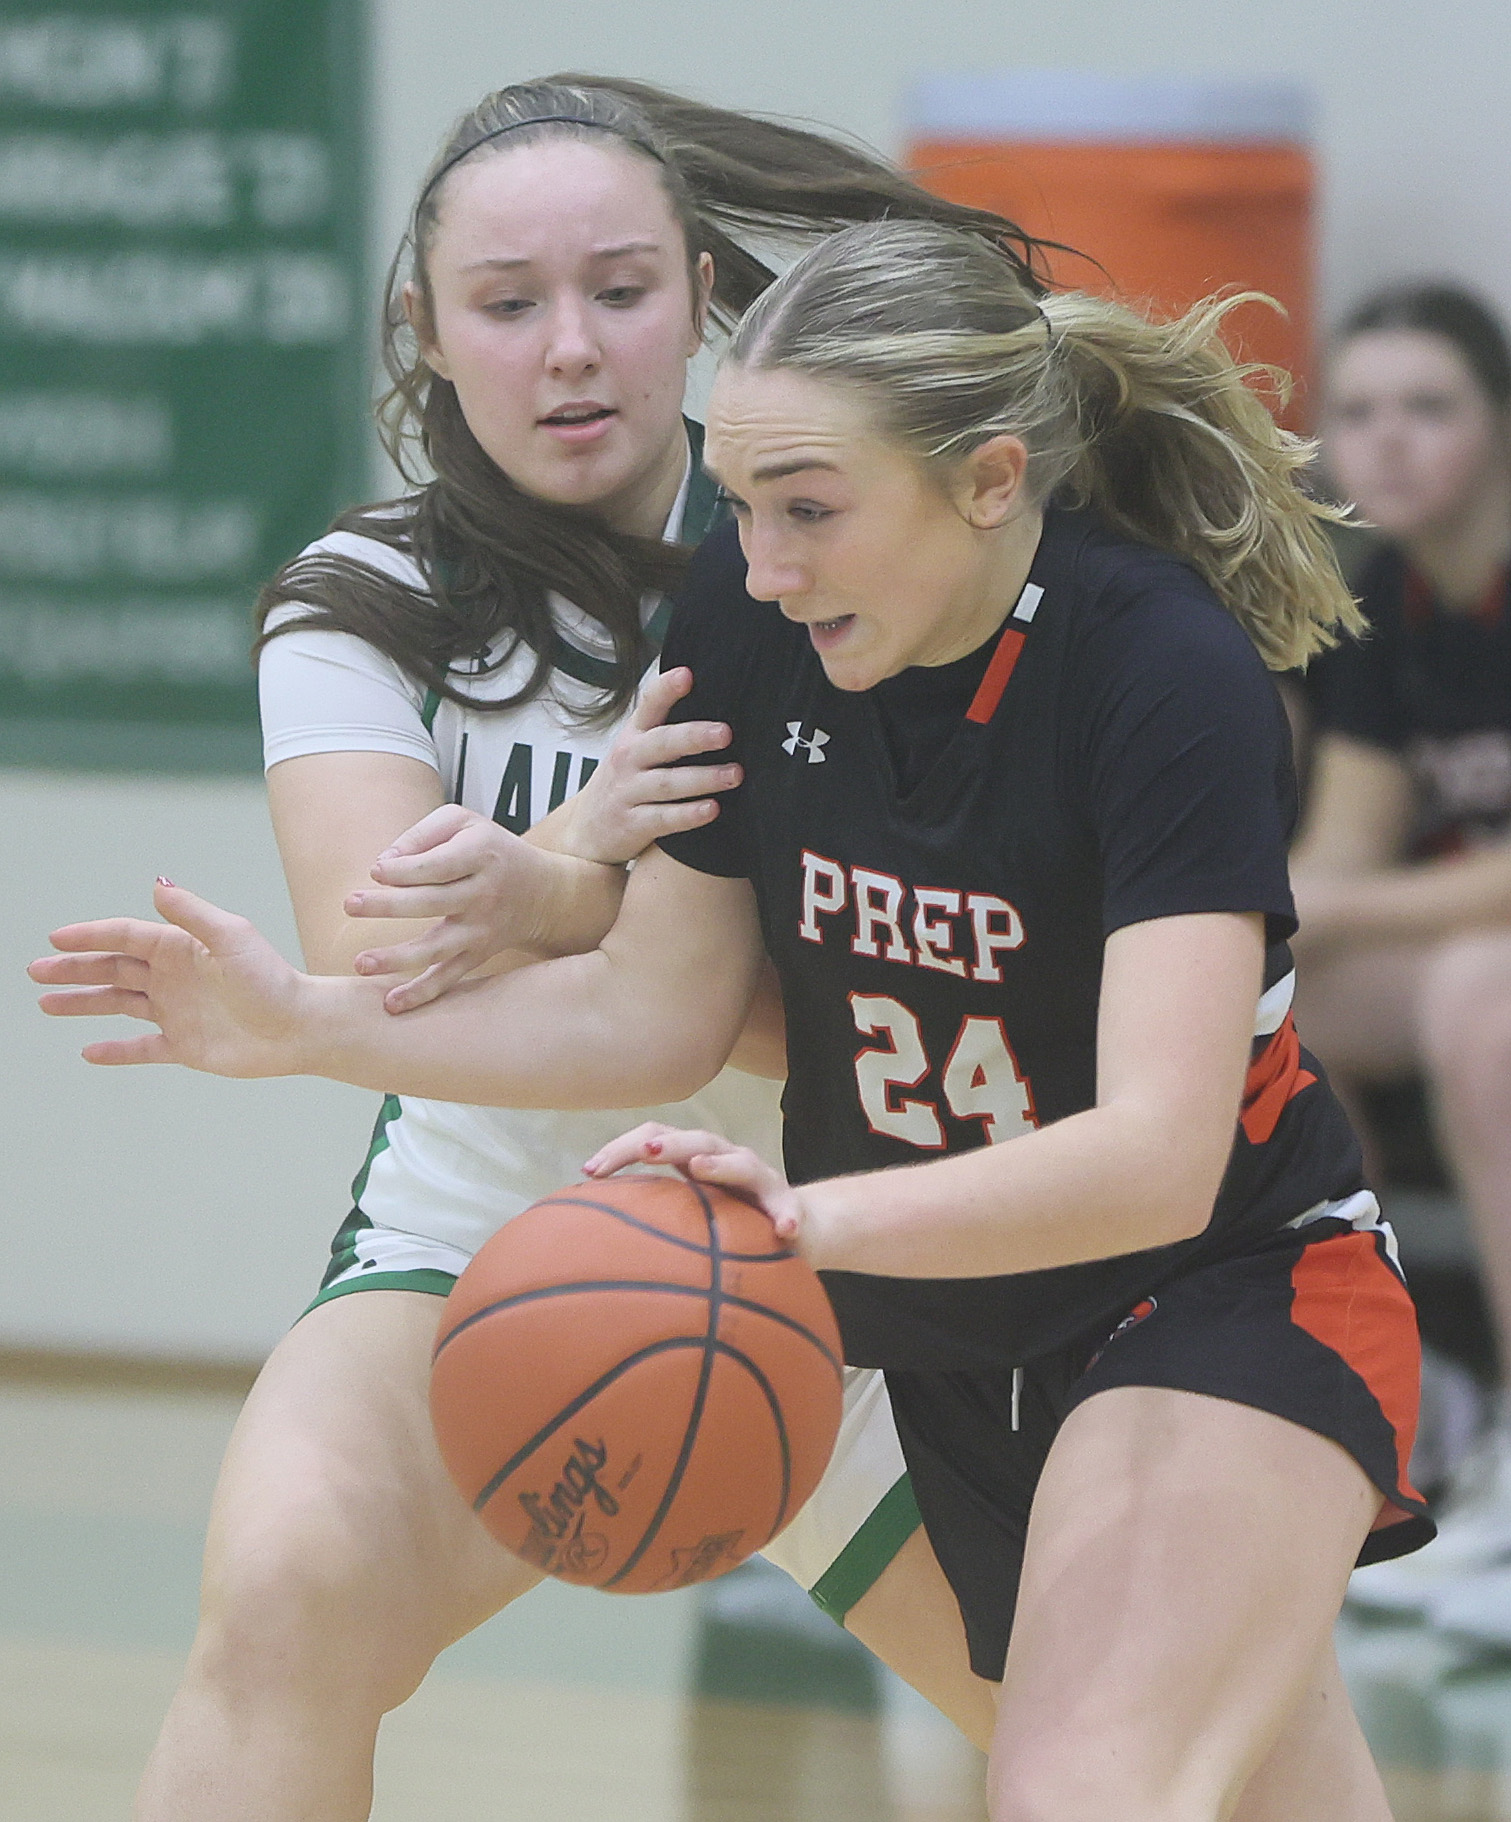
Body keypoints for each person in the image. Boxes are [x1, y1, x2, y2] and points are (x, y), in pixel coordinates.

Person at [34, 219, 1432, 1821]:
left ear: (989, 481)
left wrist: (800, 1220)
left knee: (1084, 1788)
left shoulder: (1159, 668)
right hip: (955, 1323)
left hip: (1217, 1281)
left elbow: (1158, 1160)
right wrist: (305, 1023)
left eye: (809, 508)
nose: (760, 562)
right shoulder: (753, 619)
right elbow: (654, 1010)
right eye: (744, 506)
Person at [80, 78, 1052, 1820]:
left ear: (701, 294)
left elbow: (873, 1006)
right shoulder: (364, 599)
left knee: (1132, 1741)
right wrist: (580, 858)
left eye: (619, 290)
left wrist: (566, 892)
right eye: (509, 304)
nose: (573, 349)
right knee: (286, 1600)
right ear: (426, 333)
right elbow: (389, 971)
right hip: (486, 1247)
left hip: (865, 1253)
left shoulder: (841, 560)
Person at [1290, 283, 1511, 1636]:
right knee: (1271, 1005)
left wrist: (1349, 905)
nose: (1390, 440)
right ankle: (1411, 1408)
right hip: (1471, 958)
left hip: (1486, 980)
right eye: (1361, 411)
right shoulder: (1382, 603)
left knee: (1485, 1005)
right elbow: (1338, 862)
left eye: (1430, 407)